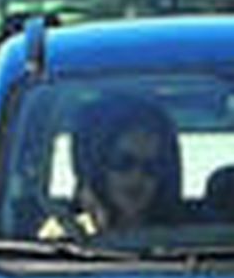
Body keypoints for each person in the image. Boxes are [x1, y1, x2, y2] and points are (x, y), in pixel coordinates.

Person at [40, 92, 182, 237]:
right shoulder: (58, 234)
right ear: (97, 166)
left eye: (151, 167)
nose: (137, 176)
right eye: (123, 163)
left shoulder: (185, 236)